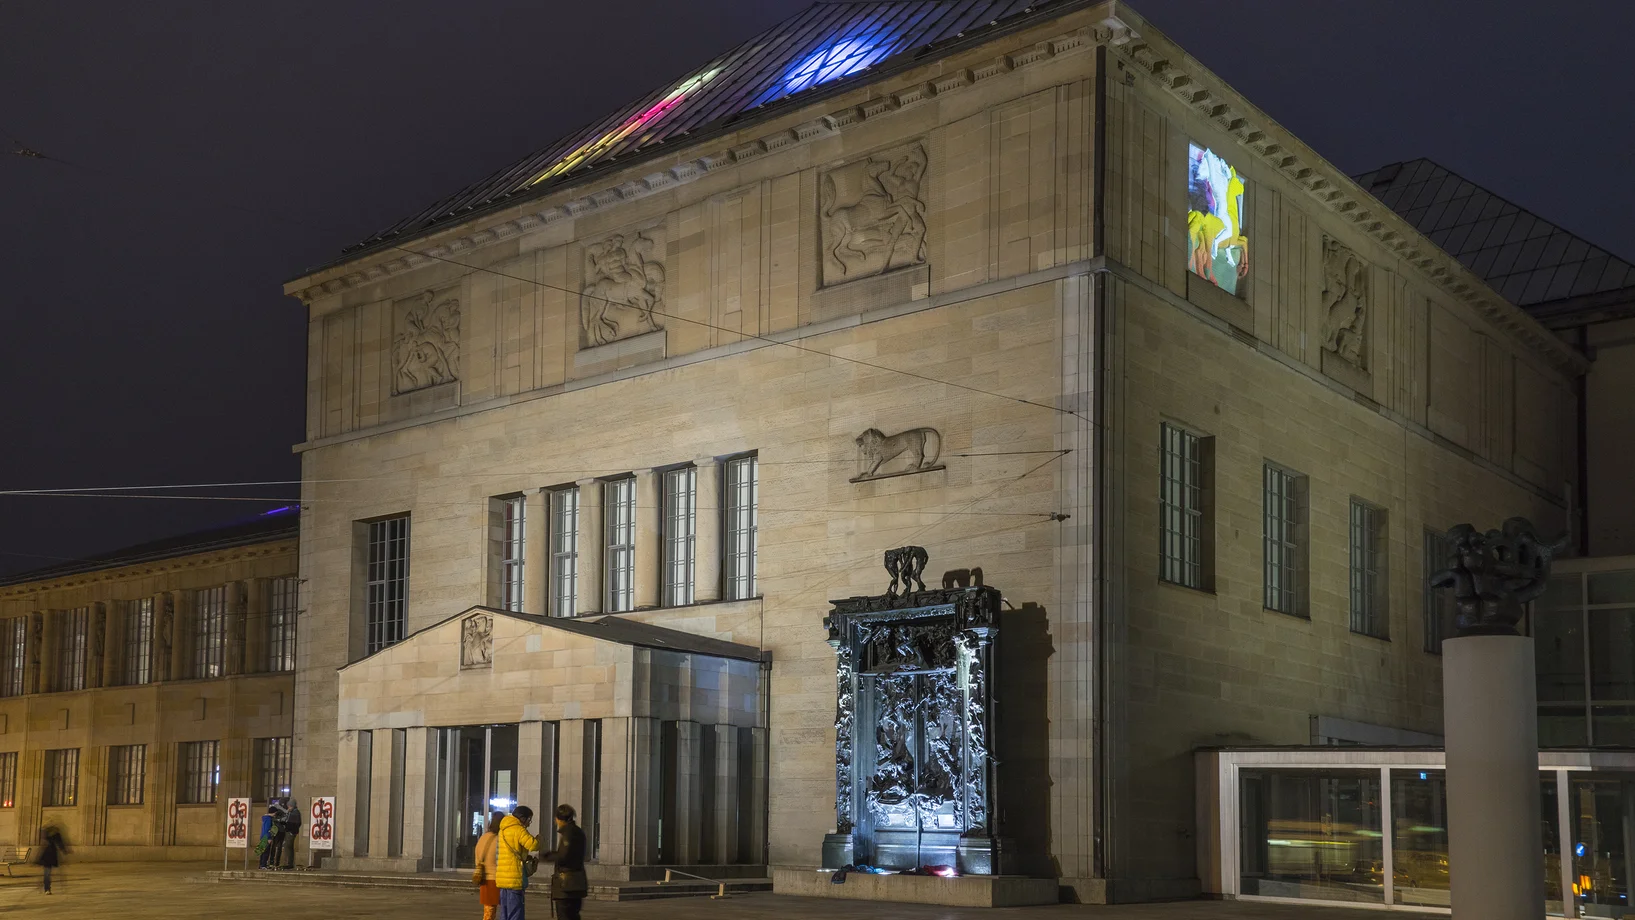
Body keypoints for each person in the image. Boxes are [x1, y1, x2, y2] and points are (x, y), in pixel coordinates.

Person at [540, 804, 588, 920]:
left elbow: (564, 856)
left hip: (566, 883)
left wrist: (548, 856)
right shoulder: (578, 832)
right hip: (577, 881)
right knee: (573, 914)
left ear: (559, 818)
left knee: (565, 915)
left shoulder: (568, 833)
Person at [494, 805, 540, 920]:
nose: (529, 823)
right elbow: (533, 845)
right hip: (514, 877)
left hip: (502, 877)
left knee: (505, 913)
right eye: (529, 820)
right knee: (516, 912)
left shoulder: (503, 829)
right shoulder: (518, 829)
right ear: (522, 818)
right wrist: (539, 840)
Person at [472, 811, 504, 920]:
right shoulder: (499, 840)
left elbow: (477, 856)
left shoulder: (483, 837)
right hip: (495, 878)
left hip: (484, 878)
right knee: (500, 910)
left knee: (488, 910)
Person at [36, 824, 68, 894]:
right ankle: (47, 888)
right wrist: (64, 851)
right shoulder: (56, 834)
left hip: (46, 855)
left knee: (46, 873)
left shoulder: (46, 833)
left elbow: (43, 844)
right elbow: (60, 844)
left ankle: (47, 889)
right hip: (52, 855)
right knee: (47, 873)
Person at [276, 797, 301, 869]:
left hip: (290, 832)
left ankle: (288, 863)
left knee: (287, 847)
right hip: (292, 832)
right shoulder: (294, 812)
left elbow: (288, 821)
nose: (288, 808)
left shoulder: (295, 813)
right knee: (289, 848)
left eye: (289, 806)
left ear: (292, 806)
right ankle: (289, 863)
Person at [257, 802, 279, 869]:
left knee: (262, 851)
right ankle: (263, 865)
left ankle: (261, 865)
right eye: (275, 813)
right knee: (266, 852)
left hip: (263, 836)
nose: (275, 814)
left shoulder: (265, 818)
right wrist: (269, 838)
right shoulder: (269, 819)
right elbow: (268, 829)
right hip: (266, 837)